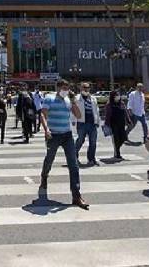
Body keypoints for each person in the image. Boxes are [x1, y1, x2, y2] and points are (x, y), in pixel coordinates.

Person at [39, 79, 89, 210]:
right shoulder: (49, 98)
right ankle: (44, 176)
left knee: (73, 164)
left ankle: (76, 196)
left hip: (67, 135)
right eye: (64, 87)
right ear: (58, 88)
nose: (66, 90)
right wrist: (46, 129)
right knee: (49, 158)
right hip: (53, 135)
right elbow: (43, 115)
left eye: (68, 88)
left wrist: (73, 102)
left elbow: (78, 115)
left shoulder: (68, 100)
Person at [74, 82, 100, 166]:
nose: (86, 89)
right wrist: (73, 120)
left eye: (88, 87)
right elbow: (73, 109)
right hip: (82, 123)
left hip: (92, 123)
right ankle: (74, 157)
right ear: (81, 88)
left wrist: (97, 121)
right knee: (80, 140)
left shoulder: (93, 98)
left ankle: (91, 158)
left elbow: (96, 110)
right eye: (84, 87)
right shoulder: (77, 98)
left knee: (93, 142)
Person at [105, 90, 130, 162]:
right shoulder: (109, 104)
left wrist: (128, 120)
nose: (117, 96)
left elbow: (125, 112)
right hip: (113, 123)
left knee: (123, 138)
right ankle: (117, 153)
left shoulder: (121, 103)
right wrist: (107, 124)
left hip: (121, 123)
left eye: (118, 95)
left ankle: (117, 149)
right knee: (116, 139)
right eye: (116, 95)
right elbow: (107, 115)